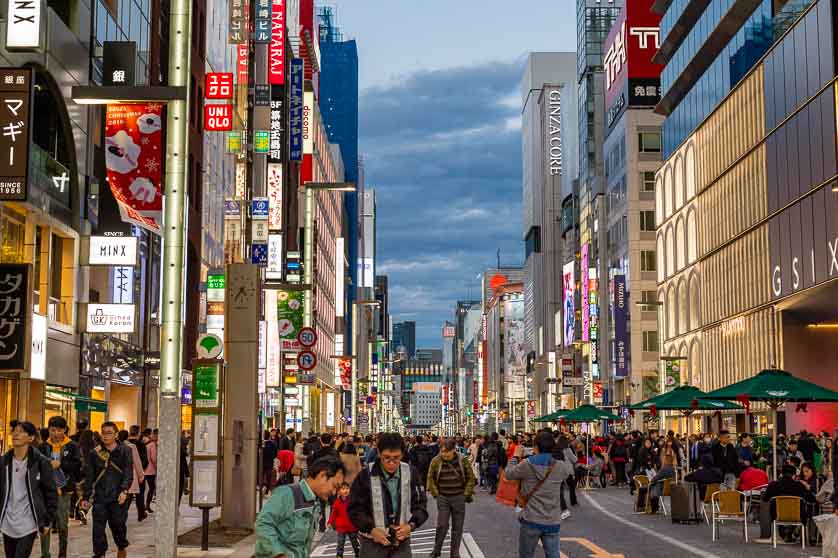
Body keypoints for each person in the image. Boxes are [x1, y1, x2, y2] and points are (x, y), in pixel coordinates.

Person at [348, 433, 428, 558]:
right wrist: (371, 529)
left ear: (402, 454)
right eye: (386, 457)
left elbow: (421, 505)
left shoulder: (411, 473)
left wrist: (411, 525)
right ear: (379, 453)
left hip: (401, 543)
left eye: (396, 458)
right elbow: (354, 509)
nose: (391, 463)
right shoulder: (365, 475)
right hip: (372, 543)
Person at [255, 456, 346, 558]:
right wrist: (278, 554)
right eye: (334, 486)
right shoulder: (286, 494)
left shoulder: (315, 503)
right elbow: (263, 524)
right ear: (322, 475)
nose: (334, 492)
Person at [505, 432, 573, 558]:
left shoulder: (527, 464)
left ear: (535, 447)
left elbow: (509, 474)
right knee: (553, 555)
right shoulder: (560, 466)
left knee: (526, 555)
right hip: (552, 520)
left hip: (531, 518)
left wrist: (515, 456)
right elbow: (568, 473)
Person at [0, 421, 56, 558]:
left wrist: (48, 520)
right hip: (8, 522)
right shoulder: (4, 462)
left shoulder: (41, 462)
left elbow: (51, 493)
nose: (16, 434)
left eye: (21, 431)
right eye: (15, 431)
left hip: (28, 522)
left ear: (31, 438)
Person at [80, 422, 133, 558]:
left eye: (109, 433)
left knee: (118, 528)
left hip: (118, 497)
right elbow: (90, 476)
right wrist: (86, 497)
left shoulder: (125, 450)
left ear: (116, 434)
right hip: (100, 498)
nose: (105, 436)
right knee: (98, 531)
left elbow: (128, 473)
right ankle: (100, 554)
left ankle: (121, 547)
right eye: (103, 432)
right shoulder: (95, 452)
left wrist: (124, 491)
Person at [37, 416, 81, 558]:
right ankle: (45, 554)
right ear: (48, 430)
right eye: (52, 430)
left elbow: (77, 466)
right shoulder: (43, 446)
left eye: (59, 430)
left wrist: (61, 464)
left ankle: (62, 553)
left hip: (64, 490)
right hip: (46, 491)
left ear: (64, 430)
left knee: (62, 523)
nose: (55, 433)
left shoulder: (72, 446)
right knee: (45, 524)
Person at [426, 439, 476, 558]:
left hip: (459, 496)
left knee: (457, 527)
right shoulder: (436, 460)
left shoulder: (462, 460)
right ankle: (436, 550)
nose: (444, 455)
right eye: (442, 452)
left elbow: (471, 478)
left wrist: (465, 494)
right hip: (443, 497)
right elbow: (430, 478)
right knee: (442, 525)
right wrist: (436, 494)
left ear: (453, 450)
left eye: (447, 452)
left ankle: (454, 553)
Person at [762, 464, 817, 543]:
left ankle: (784, 533)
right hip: (798, 516)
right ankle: (792, 534)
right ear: (794, 475)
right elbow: (811, 499)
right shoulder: (799, 486)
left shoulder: (773, 485)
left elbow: (765, 499)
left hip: (777, 515)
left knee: (773, 507)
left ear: (781, 473)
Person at [116, 431, 146, 523]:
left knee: (119, 502)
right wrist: (141, 476)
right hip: (129, 477)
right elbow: (137, 462)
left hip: (117, 478)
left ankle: (118, 519)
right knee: (126, 501)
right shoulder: (131, 447)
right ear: (127, 436)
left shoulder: (115, 446)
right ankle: (121, 520)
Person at [329, 482, 360, 558]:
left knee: (355, 544)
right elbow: (333, 513)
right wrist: (330, 522)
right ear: (339, 491)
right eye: (343, 489)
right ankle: (339, 556)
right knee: (340, 544)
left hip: (352, 527)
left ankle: (358, 555)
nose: (345, 490)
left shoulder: (352, 501)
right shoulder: (337, 502)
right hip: (341, 528)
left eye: (347, 488)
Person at [143, 429, 157, 513]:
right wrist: (156, 467)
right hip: (150, 469)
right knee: (151, 488)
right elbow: (153, 458)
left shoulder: (142, 442)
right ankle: (147, 505)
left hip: (142, 469)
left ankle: (142, 506)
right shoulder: (151, 444)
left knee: (141, 489)